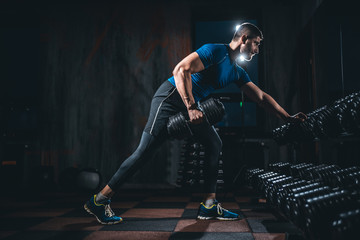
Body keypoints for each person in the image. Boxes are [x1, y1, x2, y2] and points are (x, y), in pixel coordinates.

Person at [84, 22, 307, 224]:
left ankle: (209, 205)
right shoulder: (215, 51)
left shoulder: (236, 72)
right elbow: (181, 70)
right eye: (256, 44)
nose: (257, 50)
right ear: (244, 39)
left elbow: (260, 97)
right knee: (144, 152)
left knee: (214, 144)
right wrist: (191, 106)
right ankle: (100, 200)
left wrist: (286, 117)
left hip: (192, 106)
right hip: (170, 98)